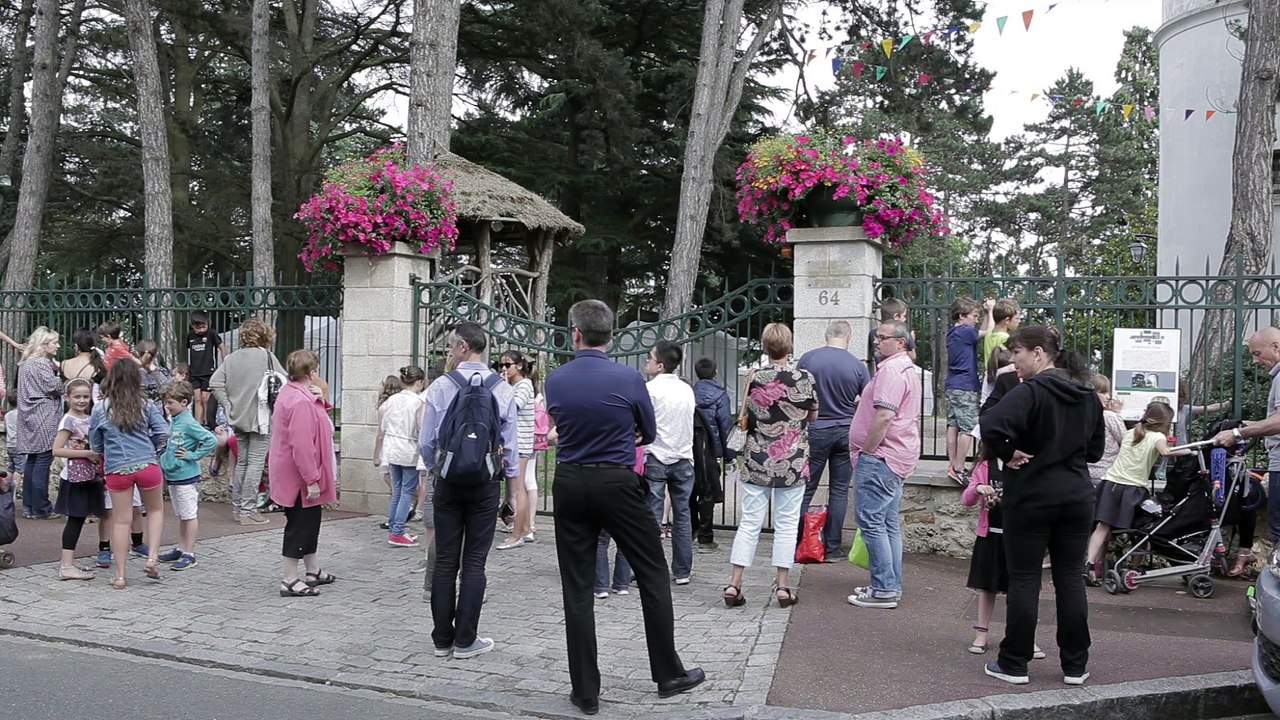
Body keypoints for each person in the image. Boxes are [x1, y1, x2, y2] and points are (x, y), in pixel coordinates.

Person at [545, 299, 704, 715]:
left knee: (577, 585)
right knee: (652, 572)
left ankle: (585, 690)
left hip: (571, 480)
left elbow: (562, 422)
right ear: (611, 335)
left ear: (575, 333)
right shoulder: (629, 378)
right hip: (616, 480)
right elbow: (648, 432)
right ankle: (668, 673)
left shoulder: (555, 379)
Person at [979, 325, 1103, 686]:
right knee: (1069, 579)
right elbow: (1094, 451)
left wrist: (1008, 452)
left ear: (1037, 353)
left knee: (1025, 579)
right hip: (1077, 496)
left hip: (1032, 495)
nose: (1012, 360)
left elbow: (990, 424)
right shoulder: (1087, 394)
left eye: (1016, 352)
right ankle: (1075, 665)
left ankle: (1015, 663)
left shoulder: (1030, 392)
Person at [418, 323, 518, 660]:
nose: (448, 351)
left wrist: (437, 468)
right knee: (475, 563)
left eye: (450, 346)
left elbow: (426, 441)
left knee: (446, 561)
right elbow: (512, 447)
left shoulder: (441, 386)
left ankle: (441, 639)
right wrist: (511, 492)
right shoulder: (501, 388)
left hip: (447, 482)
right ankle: (466, 640)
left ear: (463, 346)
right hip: (484, 484)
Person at [724, 323, 817, 608]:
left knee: (750, 522)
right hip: (792, 459)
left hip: (757, 459)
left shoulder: (754, 376)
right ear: (789, 346)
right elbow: (813, 415)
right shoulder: (804, 377)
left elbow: (749, 413)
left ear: (765, 347)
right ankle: (783, 587)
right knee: (787, 524)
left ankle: (734, 582)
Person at [846, 320, 922, 609]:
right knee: (887, 522)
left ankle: (884, 589)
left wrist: (867, 450)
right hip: (896, 456)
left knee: (871, 521)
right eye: (876, 337)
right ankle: (890, 584)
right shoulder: (904, 368)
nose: (876, 342)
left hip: (882, 457)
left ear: (901, 342)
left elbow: (884, 416)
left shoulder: (891, 370)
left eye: (883, 338)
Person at [1085, 401, 1191, 580]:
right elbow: (1165, 452)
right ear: (1165, 422)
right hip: (1133, 489)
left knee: (1102, 527)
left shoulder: (1131, 433)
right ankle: (1135, 567)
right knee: (1143, 530)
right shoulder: (1157, 437)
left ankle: (1088, 564)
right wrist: (1189, 451)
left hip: (1111, 483)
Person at [90, 361, 169, 589]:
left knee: (121, 521)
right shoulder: (146, 404)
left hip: (117, 468)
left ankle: (121, 575)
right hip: (147, 464)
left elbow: (95, 443)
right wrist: (153, 449)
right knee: (154, 511)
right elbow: (164, 431)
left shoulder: (100, 408)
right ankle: (152, 558)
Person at [796, 320, 869, 559]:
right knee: (839, 490)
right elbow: (867, 400)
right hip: (846, 430)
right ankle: (833, 547)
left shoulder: (809, 359)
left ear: (827, 335)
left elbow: (799, 392)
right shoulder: (857, 365)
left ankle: (799, 542)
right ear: (848, 338)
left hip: (816, 429)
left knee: (806, 488)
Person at [269, 349, 339, 597]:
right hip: (299, 476)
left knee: (310, 521)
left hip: (294, 471)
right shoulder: (299, 401)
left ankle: (313, 569)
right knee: (301, 524)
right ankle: (289, 578)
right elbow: (302, 444)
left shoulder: (294, 393)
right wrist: (311, 478)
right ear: (311, 373)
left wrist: (320, 399)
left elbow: (316, 422)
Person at [960, 459, 1046, 660]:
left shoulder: (1026, 464)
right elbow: (967, 499)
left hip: (1019, 537)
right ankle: (981, 634)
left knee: (1022, 589)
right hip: (991, 535)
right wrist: (979, 488)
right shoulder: (984, 466)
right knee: (987, 587)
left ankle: (1025, 637)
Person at [209, 317, 286, 526]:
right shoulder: (267, 357)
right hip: (260, 417)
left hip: (237, 417)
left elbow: (215, 382)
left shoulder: (232, 358)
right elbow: (285, 381)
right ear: (265, 335)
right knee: (255, 463)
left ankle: (238, 508)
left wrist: (227, 405)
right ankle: (248, 510)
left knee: (242, 462)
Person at [642, 339, 697, 585]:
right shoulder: (687, 389)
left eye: (650, 358)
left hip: (657, 454)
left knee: (652, 515)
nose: (647, 361)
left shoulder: (650, 390)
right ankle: (683, 570)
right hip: (684, 456)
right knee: (682, 515)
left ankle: (651, 568)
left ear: (661, 365)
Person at [157, 380, 217, 570]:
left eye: (170, 403)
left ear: (184, 403)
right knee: (182, 514)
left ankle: (189, 553)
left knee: (189, 514)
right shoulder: (176, 420)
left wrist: (193, 455)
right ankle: (181, 547)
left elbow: (210, 439)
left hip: (185, 475)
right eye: (166, 403)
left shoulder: (189, 422)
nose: (167, 407)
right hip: (174, 475)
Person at [51, 378, 105, 580]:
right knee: (75, 518)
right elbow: (57, 449)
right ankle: (66, 565)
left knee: (80, 518)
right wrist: (86, 454)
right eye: (77, 397)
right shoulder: (68, 420)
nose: (82, 400)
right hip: (74, 477)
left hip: (89, 475)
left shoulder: (90, 418)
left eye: (85, 396)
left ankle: (69, 559)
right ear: (67, 398)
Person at [16, 326, 64, 520]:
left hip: (29, 415)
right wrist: (60, 373)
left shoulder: (26, 363)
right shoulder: (41, 363)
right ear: (44, 344)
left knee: (32, 461)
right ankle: (41, 507)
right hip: (43, 416)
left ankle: (29, 506)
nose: (58, 346)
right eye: (54, 342)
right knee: (43, 460)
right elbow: (54, 387)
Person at [380, 366, 426, 547]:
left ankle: (394, 525)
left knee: (397, 490)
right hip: (408, 448)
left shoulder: (392, 400)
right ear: (420, 382)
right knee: (407, 491)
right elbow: (420, 426)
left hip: (392, 447)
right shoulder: (417, 402)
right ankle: (397, 530)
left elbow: (384, 424)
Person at [692, 357, 735, 552]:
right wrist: (729, 454)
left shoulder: (688, 392)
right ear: (715, 372)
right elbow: (725, 427)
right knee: (707, 492)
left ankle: (691, 530)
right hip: (709, 449)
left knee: (690, 491)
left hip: (689, 448)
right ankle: (705, 536)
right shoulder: (720, 396)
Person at [497, 350, 537, 550]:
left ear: (519, 366)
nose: (504, 369)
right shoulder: (515, 385)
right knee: (516, 488)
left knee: (519, 489)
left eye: (507, 365)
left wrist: (502, 387)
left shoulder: (524, 385)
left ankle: (517, 533)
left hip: (520, 442)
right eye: (501, 366)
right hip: (514, 442)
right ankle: (526, 527)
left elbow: (513, 407)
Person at [945, 297, 986, 484]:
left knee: (953, 425)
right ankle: (960, 468)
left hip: (952, 385)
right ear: (962, 316)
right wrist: (992, 311)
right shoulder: (966, 331)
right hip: (965, 386)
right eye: (974, 316)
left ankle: (953, 465)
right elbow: (988, 332)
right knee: (968, 428)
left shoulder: (953, 332)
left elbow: (981, 331)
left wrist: (986, 314)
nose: (976, 319)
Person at [372, 374, 404, 530]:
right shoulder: (400, 403)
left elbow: (381, 433)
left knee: (392, 483)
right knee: (396, 485)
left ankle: (397, 517)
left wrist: (376, 455)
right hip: (401, 447)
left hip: (389, 447)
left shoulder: (384, 407)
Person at [1086, 374, 1126, 490]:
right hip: (1105, 472)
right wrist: (1117, 413)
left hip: (1085, 471)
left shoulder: (1082, 413)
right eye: (1103, 393)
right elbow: (1125, 439)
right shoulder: (1109, 416)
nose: (1108, 397)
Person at [187, 311, 227, 426]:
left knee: (205, 398)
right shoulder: (190, 336)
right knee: (197, 398)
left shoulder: (211, 334)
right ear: (193, 326)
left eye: (204, 325)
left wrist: (225, 362)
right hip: (195, 373)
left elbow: (222, 347)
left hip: (208, 372)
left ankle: (207, 422)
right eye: (199, 327)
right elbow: (189, 352)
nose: (202, 329)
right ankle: (198, 424)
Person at [865, 297, 917, 370]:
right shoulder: (903, 333)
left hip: (880, 372)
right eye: (904, 316)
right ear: (896, 316)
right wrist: (912, 340)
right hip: (897, 371)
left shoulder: (873, 333)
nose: (905, 319)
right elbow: (912, 357)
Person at [60, 328, 107, 400]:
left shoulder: (64, 364)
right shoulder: (97, 366)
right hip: (89, 406)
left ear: (76, 346)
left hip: (68, 406)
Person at [980, 298, 1020, 366]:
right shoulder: (1005, 338)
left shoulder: (988, 334)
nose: (1019, 321)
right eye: (1017, 318)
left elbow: (988, 327)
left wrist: (989, 311)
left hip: (989, 373)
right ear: (1007, 320)